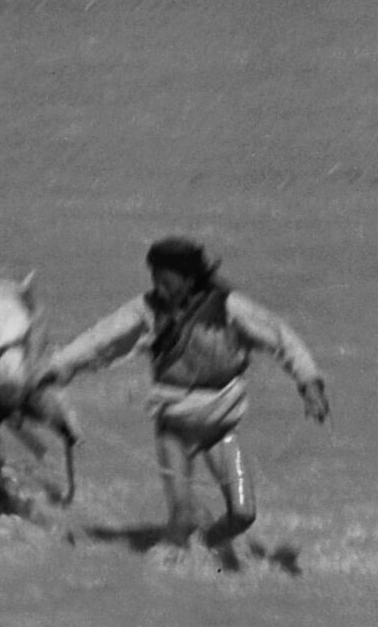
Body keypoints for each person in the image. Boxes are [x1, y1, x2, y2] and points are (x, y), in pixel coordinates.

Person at [31, 235, 330, 548]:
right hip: (174, 428)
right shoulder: (146, 310)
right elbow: (99, 340)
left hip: (221, 429)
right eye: (155, 281)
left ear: (190, 279)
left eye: (167, 283)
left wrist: (309, 383)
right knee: (182, 517)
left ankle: (207, 548)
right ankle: (176, 561)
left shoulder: (229, 307)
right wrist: (55, 368)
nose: (159, 290)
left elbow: (282, 338)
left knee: (243, 514)